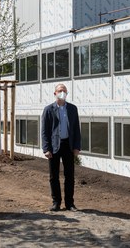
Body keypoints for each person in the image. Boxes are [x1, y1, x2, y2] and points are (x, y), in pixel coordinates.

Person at [41, 83, 81, 212]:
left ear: (67, 94)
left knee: (70, 176)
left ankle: (69, 203)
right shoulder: (48, 110)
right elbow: (44, 131)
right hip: (54, 146)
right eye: (59, 91)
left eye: (64, 91)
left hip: (68, 145)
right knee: (54, 176)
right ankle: (56, 202)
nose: (62, 93)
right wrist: (46, 148)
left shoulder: (72, 109)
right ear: (55, 93)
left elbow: (76, 129)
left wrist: (76, 146)